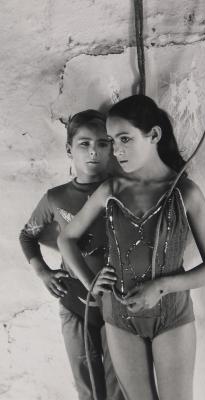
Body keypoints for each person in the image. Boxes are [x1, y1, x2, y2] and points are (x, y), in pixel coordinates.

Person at [58, 95, 205, 400]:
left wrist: (161, 286)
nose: (117, 150)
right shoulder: (110, 190)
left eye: (125, 139)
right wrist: (90, 283)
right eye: (112, 141)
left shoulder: (185, 192)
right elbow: (65, 238)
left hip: (171, 316)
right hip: (119, 317)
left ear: (154, 135)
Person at [19, 109, 124, 400]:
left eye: (103, 143)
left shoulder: (123, 191)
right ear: (69, 149)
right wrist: (42, 272)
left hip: (117, 300)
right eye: (85, 144)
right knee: (87, 385)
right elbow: (27, 235)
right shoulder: (56, 197)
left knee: (120, 385)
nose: (94, 152)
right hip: (74, 300)